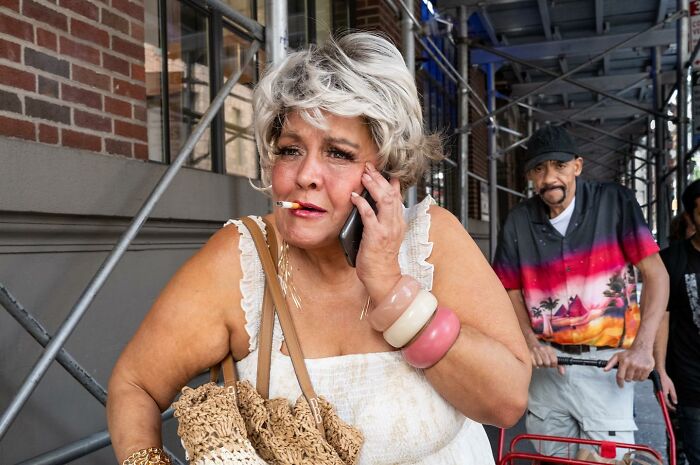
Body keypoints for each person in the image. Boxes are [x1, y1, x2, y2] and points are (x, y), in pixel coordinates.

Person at [107, 32, 531, 465]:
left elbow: (506, 403)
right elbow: (135, 385)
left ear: (388, 171)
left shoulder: (430, 241)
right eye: (291, 150)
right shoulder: (241, 261)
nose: (306, 175)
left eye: (338, 154)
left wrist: (391, 288)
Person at [492, 125, 669, 459]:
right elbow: (509, 289)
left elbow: (656, 274)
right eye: (539, 169)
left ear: (577, 166)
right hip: (547, 366)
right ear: (530, 176)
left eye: (559, 166)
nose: (549, 178)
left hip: (606, 367)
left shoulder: (615, 202)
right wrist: (530, 341)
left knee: (606, 460)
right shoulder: (518, 221)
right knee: (549, 458)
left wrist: (643, 348)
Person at [656, 179, 700, 465]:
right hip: (690, 383)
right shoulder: (671, 260)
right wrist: (660, 370)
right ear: (690, 217)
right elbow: (660, 316)